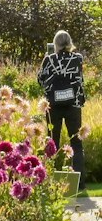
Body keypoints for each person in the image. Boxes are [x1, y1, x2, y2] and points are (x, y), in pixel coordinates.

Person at [38, 29, 86, 188]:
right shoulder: (77, 59)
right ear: (70, 43)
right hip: (74, 105)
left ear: (56, 44)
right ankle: (79, 184)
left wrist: (48, 58)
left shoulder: (48, 59)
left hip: (53, 106)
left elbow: (40, 80)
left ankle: (49, 180)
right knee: (76, 143)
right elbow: (80, 79)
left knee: (52, 142)